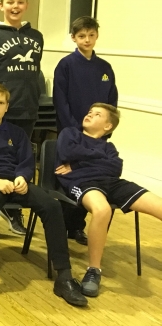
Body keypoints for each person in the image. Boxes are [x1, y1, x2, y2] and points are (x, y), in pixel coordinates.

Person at [0, 83, 87, 306]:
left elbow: (26, 163)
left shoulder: (16, 133)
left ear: (7, 106)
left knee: (51, 205)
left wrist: (22, 177)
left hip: (15, 182)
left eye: (1, 103)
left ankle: (64, 276)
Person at [56, 103, 162, 297]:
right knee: (103, 210)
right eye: (89, 112)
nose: (89, 115)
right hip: (82, 181)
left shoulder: (109, 147)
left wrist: (79, 163)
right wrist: (96, 159)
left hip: (113, 182)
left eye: (97, 115)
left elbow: (115, 168)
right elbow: (65, 153)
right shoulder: (70, 134)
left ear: (107, 127)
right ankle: (94, 270)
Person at [0, 0, 43, 237]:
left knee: (20, 163)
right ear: (1, 6)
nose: (15, 7)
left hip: (27, 110)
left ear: (26, 5)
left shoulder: (36, 36)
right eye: (10, 2)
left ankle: (14, 211)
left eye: (20, 2)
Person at [53, 15, 118, 245]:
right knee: (70, 177)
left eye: (91, 35)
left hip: (97, 136)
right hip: (72, 134)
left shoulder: (105, 68)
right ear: (74, 38)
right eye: (82, 36)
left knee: (93, 178)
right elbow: (60, 100)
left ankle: (77, 228)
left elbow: (112, 101)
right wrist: (73, 130)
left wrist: (104, 131)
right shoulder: (66, 65)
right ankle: (62, 227)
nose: (87, 40)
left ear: (96, 36)